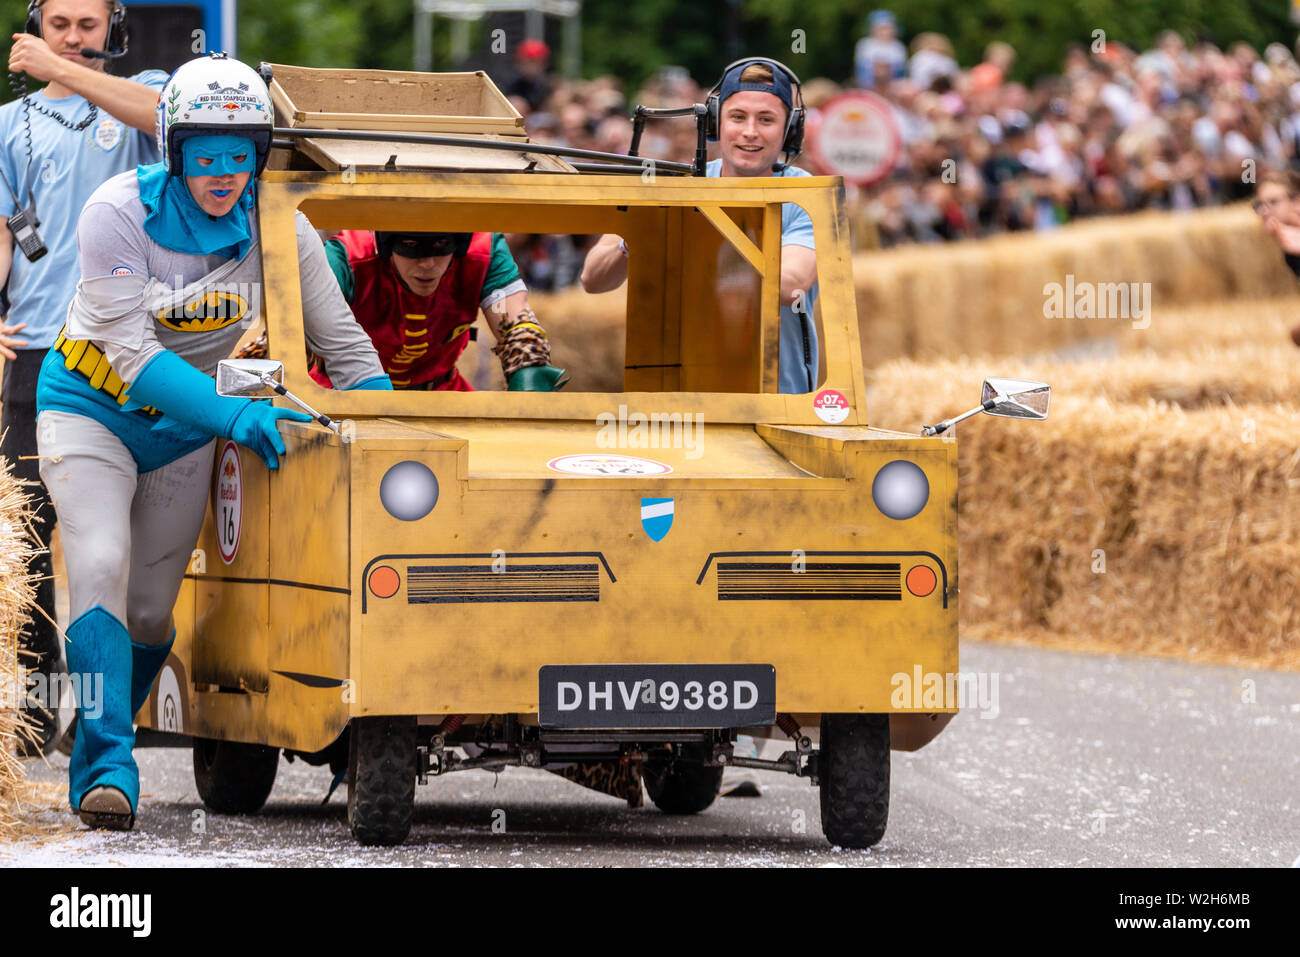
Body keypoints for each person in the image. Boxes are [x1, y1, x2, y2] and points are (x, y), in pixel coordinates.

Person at [34, 53, 390, 830]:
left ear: (261, 155)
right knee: (98, 563)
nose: (224, 171)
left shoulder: (279, 226)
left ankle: (98, 719)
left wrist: (386, 436)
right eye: (205, 152)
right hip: (90, 406)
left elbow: (348, 349)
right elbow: (131, 355)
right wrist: (233, 414)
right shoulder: (115, 211)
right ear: (172, 146)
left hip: (189, 427)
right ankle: (108, 767)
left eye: (241, 153)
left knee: (155, 616)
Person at [0, 0, 167, 756]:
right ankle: (38, 707)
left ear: (113, 30)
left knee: (117, 545)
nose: (73, 36)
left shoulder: (143, 94)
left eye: (87, 26)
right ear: (35, 22)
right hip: (36, 348)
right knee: (28, 540)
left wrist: (64, 70)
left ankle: (109, 710)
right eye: (59, 24)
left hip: (128, 348)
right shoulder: (9, 124)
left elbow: (171, 118)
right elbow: (4, 228)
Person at [581, 57, 820, 394]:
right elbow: (593, 279)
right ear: (715, 124)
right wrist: (637, 235)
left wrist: (695, 231)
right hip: (680, 400)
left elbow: (790, 287)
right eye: (738, 117)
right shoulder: (678, 185)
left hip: (777, 400)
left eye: (766, 120)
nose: (750, 131)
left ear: (789, 130)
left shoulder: (805, 194)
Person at [318, 229, 569, 391]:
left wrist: (529, 378)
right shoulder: (348, 257)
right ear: (386, 243)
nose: (428, 263)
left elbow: (519, 331)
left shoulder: (482, 252)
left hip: (442, 394)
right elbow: (295, 325)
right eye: (410, 245)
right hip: (347, 396)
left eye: (440, 245)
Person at [1253, 169, 1300, 347]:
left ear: (1297, 201)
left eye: (1273, 202)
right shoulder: (1290, 249)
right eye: (1260, 204)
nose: (1265, 211)